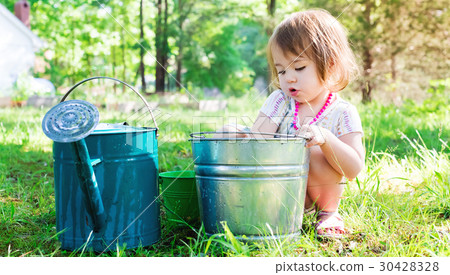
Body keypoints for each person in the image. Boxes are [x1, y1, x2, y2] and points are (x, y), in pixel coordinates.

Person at [221, 9, 364, 238]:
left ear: (330, 65)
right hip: (281, 195)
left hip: (319, 192)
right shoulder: (279, 101)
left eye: (299, 68)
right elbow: (260, 141)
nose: (289, 78)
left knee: (315, 151)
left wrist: (326, 139)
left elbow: (353, 169)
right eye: (281, 70)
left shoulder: (343, 112)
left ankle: (328, 214)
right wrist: (240, 135)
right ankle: (273, 211)